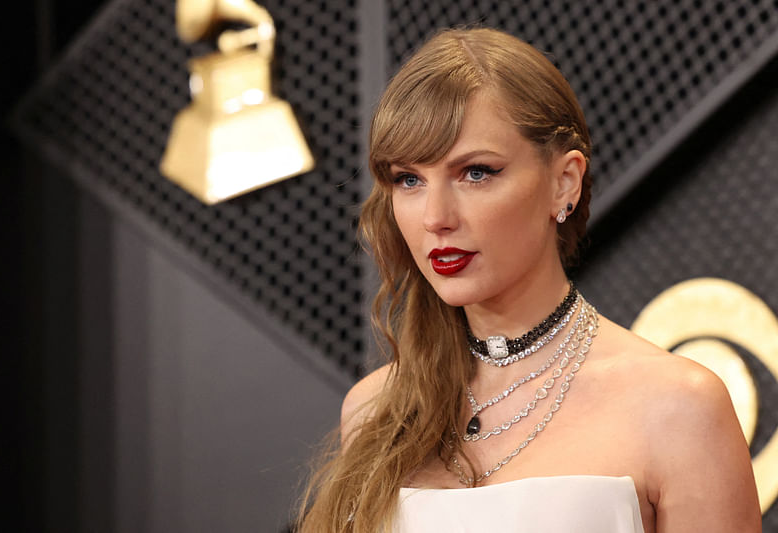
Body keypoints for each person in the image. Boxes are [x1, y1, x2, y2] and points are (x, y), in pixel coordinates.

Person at [297, 27, 761, 532]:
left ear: (565, 182)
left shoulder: (679, 409)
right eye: (409, 179)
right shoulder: (372, 410)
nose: (435, 217)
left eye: (475, 172)